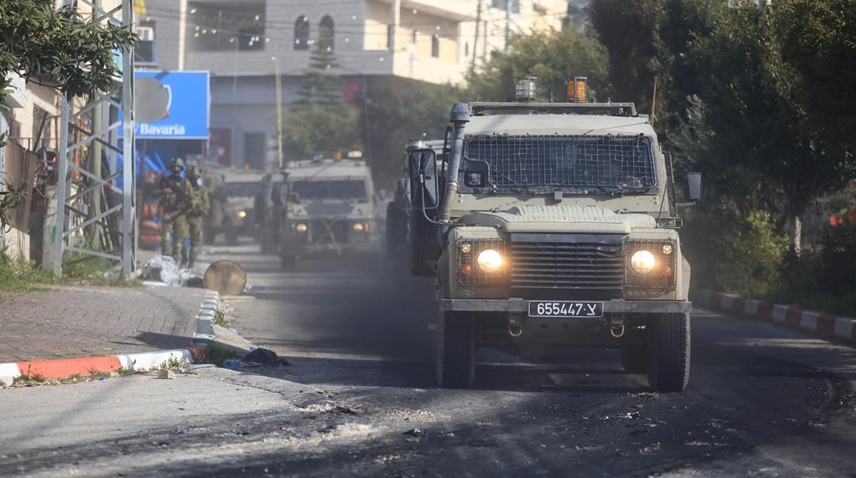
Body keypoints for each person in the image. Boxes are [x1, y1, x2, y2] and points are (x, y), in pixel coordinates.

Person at [153, 157, 195, 266]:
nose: (176, 169)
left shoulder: (185, 183)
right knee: (166, 239)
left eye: (178, 167)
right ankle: (167, 262)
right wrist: (163, 191)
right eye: (174, 167)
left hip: (180, 213)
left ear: (181, 169)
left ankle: (176, 263)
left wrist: (190, 205)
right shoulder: (166, 181)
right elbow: (153, 194)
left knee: (178, 241)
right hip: (168, 212)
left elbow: (192, 198)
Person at [185, 164, 210, 268]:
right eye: (192, 178)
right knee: (180, 242)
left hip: (196, 219)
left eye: (196, 178)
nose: (194, 180)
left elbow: (207, 204)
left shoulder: (202, 190)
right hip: (184, 218)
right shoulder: (184, 188)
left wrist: (201, 209)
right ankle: (182, 259)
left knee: (195, 244)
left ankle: (191, 263)